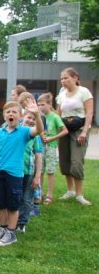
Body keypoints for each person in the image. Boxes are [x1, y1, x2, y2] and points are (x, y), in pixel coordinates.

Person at [0, 99, 43, 247]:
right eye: (8, 112)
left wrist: (37, 115)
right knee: (0, 203)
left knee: (13, 205)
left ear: (20, 116)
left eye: (14, 112)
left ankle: (11, 233)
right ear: (4, 116)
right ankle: (3, 229)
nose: (11, 114)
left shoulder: (24, 132)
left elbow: (38, 130)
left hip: (15, 175)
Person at [56, 67, 94, 206]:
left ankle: (79, 195)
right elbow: (58, 114)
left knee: (76, 162)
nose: (63, 81)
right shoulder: (61, 94)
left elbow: (89, 113)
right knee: (64, 161)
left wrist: (84, 132)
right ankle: (70, 191)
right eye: (62, 78)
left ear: (75, 78)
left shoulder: (84, 92)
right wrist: (55, 130)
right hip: (64, 129)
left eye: (66, 78)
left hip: (79, 129)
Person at [37, 92, 68, 206]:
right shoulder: (39, 117)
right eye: (38, 105)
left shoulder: (55, 117)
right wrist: (41, 135)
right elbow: (38, 130)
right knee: (39, 171)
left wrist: (52, 138)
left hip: (51, 147)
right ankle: (39, 194)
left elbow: (65, 131)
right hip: (40, 147)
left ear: (50, 104)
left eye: (42, 104)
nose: (40, 107)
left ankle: (49, 195)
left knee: (50, 171)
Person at [17, 110, 42, 233]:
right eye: (29, 117)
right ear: (22, 117)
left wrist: (37, 176)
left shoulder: (35, 136)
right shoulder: (15, 131)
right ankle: (1, 221)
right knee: (12, 197)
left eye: (34, 119)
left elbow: (38, 156)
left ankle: (22, 223)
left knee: (26, 199)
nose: (31, 120)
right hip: (14, 171)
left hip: (28, 172)